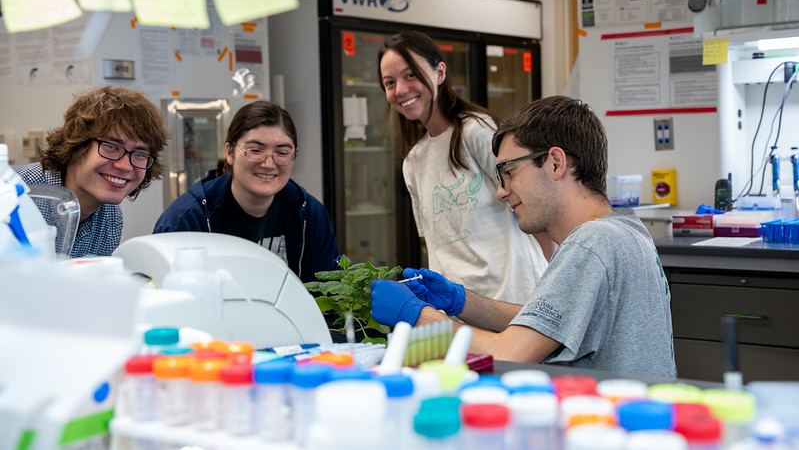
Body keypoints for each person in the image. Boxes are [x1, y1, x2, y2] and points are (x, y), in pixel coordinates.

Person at [369, 96, 676, 377]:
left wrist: (417, 315)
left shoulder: (591, 244)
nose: (501, 191)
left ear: (555, 162)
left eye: (509, 172)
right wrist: (461, 301)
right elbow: (550, 324)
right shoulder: (626, 230)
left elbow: (511, 353)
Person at [378, 31, 555, 304]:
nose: (400, 89)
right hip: (461, 310)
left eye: (410, 75)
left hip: (516, 301)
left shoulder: (477, 130)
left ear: (439, 73)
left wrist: (554, 283)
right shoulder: (413, 161)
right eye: (390, 82)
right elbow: (439, 247)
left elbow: (535, 208)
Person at [154, 100, 339, 281]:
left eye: (282, 152)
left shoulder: (310, 215)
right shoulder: (186, 221)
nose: (268, 164)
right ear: (229, 152)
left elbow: (328, 301)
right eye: (255, 150)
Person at [14, 86, 167, 258]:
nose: (125, 166)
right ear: (76, 144)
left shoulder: (110, 217)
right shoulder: (19, 191)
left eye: (139, 153)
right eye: (111, 146)